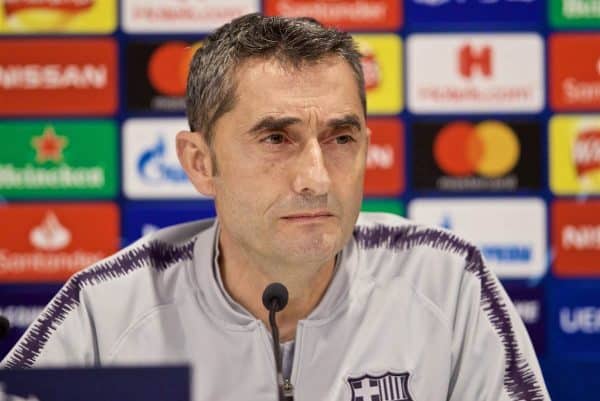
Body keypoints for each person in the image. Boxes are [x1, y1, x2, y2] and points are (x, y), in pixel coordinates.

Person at [1, 13, 550, 401]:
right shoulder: (106, 315)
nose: (315, 178)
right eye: (276, 140)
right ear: (200, 163)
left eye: (340, 138)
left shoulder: (447, 284)